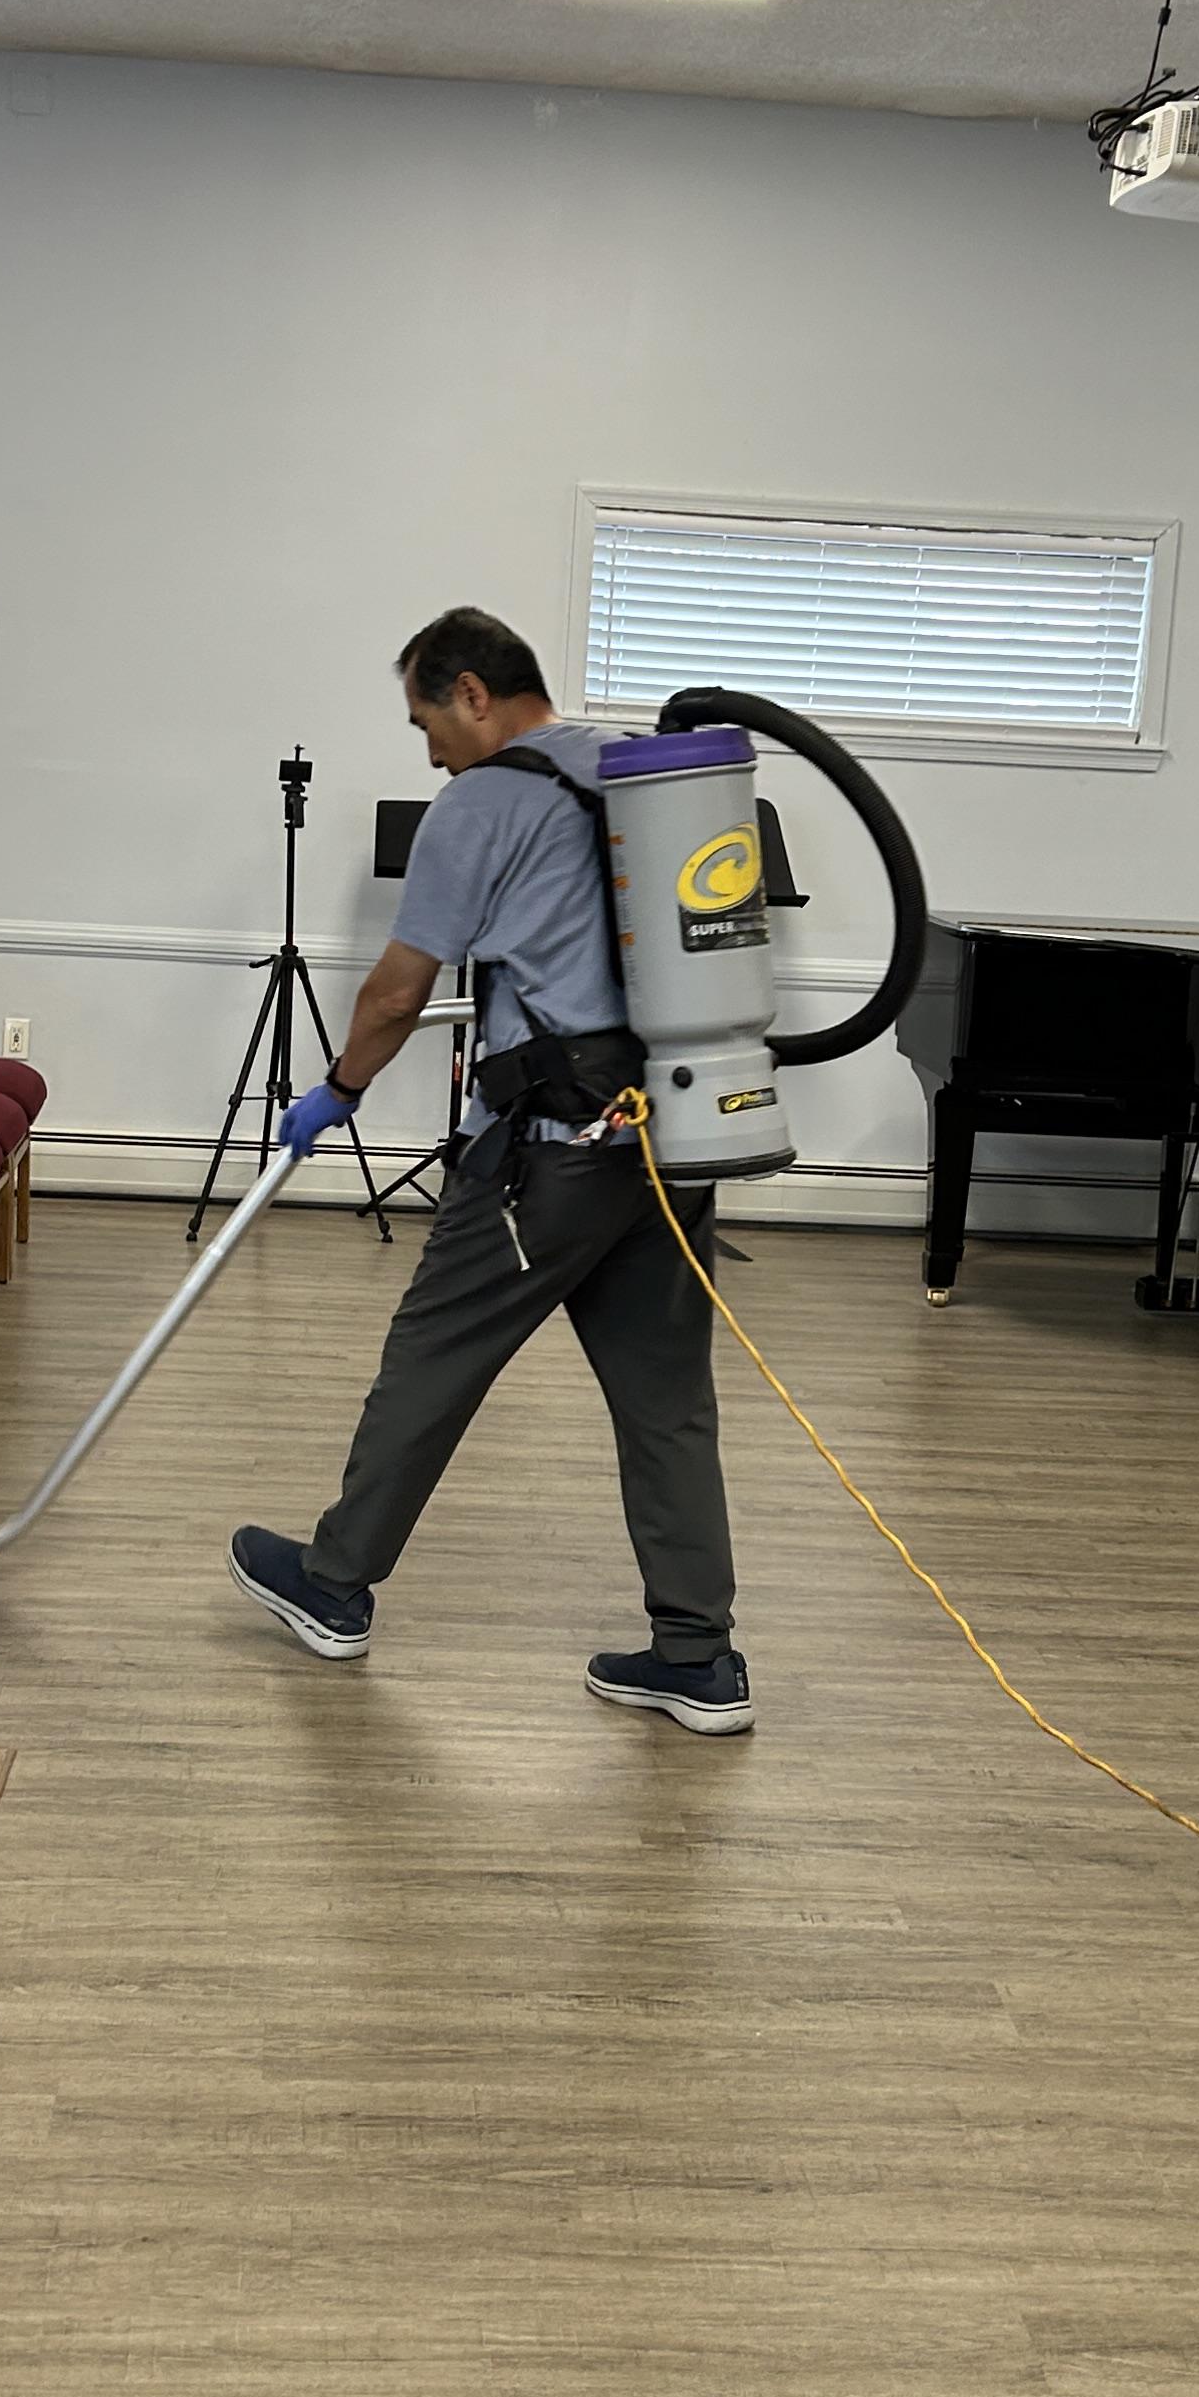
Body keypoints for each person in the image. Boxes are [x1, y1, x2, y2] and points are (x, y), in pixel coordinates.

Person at [226, 606, 752, 1732]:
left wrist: (340, 1090)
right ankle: (698, 1656)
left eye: (428, 725)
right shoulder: (636, 773)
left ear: (471, 692)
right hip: (668, 1139)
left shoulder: (482, 802)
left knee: (432, 1358)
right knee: (667, 1402)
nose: (430, 755)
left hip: (548, 1158)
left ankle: (333, 1584)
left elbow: (396, 991)